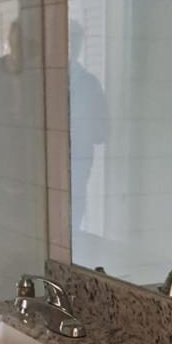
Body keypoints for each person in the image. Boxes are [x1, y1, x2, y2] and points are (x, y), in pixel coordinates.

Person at [69, 20, 107, 231]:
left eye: (75, 40)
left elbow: (101, 133)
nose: (71, 46)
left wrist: (83, 127)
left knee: (74, 215)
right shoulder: (42, 80)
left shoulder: (89, 84)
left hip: (79, 162)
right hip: (46, 165)